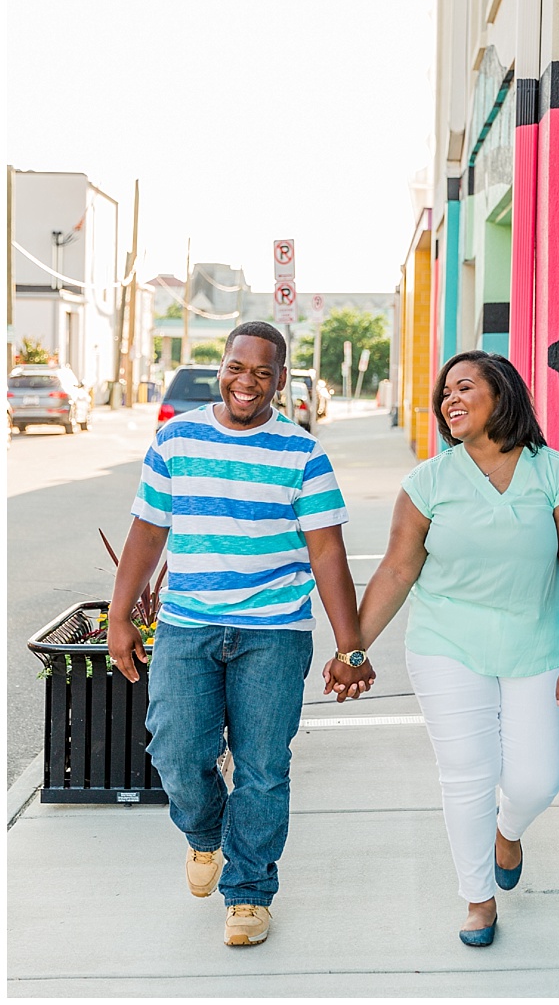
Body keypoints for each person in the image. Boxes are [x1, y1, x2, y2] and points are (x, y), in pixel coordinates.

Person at [108, 321, 374, 947]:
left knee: (262, 767)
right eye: (236, 367)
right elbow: (148, 532)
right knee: (175, 752)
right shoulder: (176, 440)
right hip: (187, 625)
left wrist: (351, 646)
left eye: (262, 372)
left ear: (281, 380)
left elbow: (327, 554)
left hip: (274, 633)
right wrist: (121, 617)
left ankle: (250, 892)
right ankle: (207, 836)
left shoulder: (303, 454)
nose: (245, 382)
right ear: (220, 368)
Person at [342, 350, 559, 947]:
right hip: (446, 644)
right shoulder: (429, 482)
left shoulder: (558, 475)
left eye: (464, 388)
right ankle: (478, 900)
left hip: (538, 644)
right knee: (467, 775)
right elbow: (397, 571)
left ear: (502, 394)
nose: (449, 400)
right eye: (445, 393)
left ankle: (508, 832)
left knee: (537, 780)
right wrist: (352, 648)